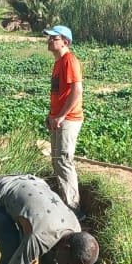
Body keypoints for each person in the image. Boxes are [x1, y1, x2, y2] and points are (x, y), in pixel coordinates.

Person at [44, 25, 84, 212]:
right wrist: (52, 115)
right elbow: (59, 93)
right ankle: (65, 202)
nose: (50, 40)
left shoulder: (69, 61)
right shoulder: (58, 62)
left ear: (65, 42)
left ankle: (73, 208)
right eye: (50, 37)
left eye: (54, 38)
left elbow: (77, 90)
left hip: (69, 119)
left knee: (63, 161)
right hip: (59, 118)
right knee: (57, 161)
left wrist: (61, 115)